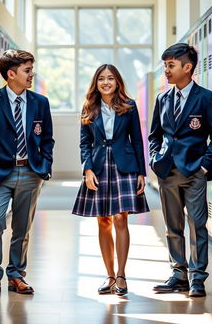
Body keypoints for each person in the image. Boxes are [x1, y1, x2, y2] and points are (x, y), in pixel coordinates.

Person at [0, 49, 54, 296]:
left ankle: (16, 274)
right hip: (0, 173)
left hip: (30, 172)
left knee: (22, 227)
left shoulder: (40, 102)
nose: (31, 75)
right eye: (27, 70)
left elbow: (47, 138)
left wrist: (45, 166)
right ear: (11, 73)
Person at [149, 43, 212, 297]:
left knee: (197, 225)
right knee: (173, 226)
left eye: (171, 65)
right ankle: (178, 274)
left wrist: (204, 167)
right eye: (165, 66)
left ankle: (197, 278)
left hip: (194, 172)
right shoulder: (163, 98)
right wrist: (154, 159)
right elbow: (154, 135)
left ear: (187, 67)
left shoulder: (205, 98)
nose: (167, 71)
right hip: (167, 171)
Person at [72, 64, 149, 296]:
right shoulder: (89, 107)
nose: (106, 82)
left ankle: (122, 275)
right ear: (96, 83)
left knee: (120, 219)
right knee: (103, 221)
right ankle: (109, 275)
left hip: (124, 166)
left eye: (111, 78)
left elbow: (137, 140)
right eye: (101, 79)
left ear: (117, 82)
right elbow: (84, 142)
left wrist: (141, 172)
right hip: (98, 166)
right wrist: (87, 170)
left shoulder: (129, 106)